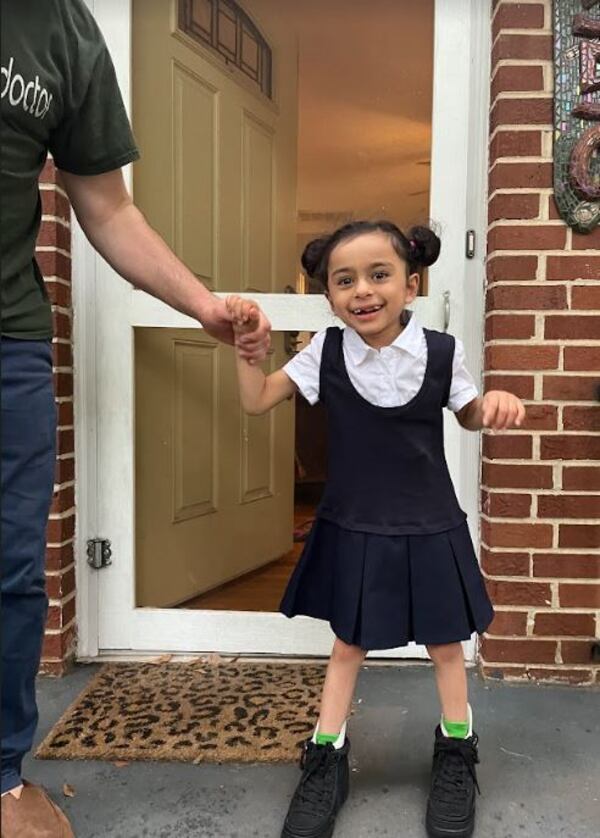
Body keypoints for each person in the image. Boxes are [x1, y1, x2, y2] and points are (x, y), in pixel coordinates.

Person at [0, 1, 269, 835]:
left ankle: (3, 779)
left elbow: (110, 209)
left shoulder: (61, 27)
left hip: (6, 345)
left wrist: (204, 307)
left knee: (10, 575)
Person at [226, 220, 526, 838]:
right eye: (344, 281)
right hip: (357, 523)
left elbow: (468, 413)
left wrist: (490, 406)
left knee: (446, 644)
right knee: (349, 644)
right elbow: (257, 400)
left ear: (411, 286)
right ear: (330, 297)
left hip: (429, 523)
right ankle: (325, 757)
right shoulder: (324, 353)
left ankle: (456, 749)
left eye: (378, 274)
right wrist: (246, 354)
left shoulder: (441, 351)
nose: (361, 290)